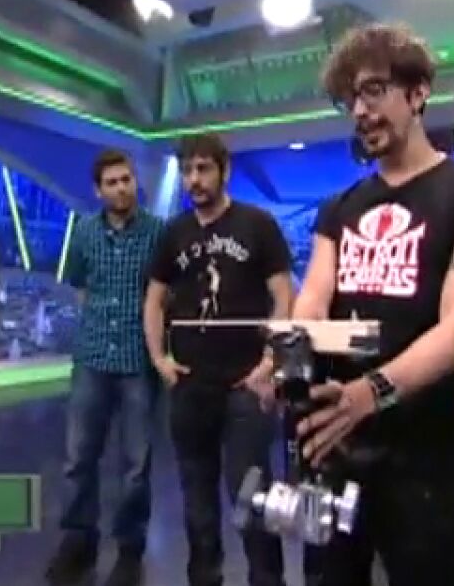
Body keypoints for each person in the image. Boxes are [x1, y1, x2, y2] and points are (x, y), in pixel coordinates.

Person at [292, 23, 454, 586]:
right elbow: (312, 303)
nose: (359, 111)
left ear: (418, 93)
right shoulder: (338, 208)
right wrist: (288, 362)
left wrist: (369, 394)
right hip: (335, 445)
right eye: (350, 99)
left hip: (423, 464)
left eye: (373, 91)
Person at [143, 134, 294, 586]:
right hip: (190, 388)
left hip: (245, 387)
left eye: (203, 168)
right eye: (187, 170)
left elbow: (284, 297)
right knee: (197, 499)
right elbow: (153, 301)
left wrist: (269, 362)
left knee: (252, 496)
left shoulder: (257, 224)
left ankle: (267, 581)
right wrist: (159, 359)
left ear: (224, 171)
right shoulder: (174, 233)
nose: (194, 179)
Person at [45, 150, 165, 586]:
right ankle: (79, 541)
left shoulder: (158, 233)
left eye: (126, 179)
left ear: (135, 183)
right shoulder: (84, 231)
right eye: (112, 182)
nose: (121, 188)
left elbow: (165, 294)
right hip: (92, 357)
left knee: (135, 464)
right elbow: (79, 285)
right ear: (98, 190)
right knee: (79, 458)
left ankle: (130, 550)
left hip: (138, 360)